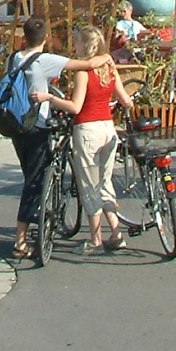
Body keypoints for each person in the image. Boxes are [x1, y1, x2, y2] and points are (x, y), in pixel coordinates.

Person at [4, 15, 113, 260]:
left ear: (24, 37)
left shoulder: (13, 58)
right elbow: (85, 65)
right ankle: (20, 240)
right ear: (44, 38)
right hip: (37, 126)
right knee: (34, 182)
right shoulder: (44, 60)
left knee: (30, 175)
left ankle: (36, 217)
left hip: (16, 126)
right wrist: (106, 56)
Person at [30, 26, 133, 254]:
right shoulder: (109, 66)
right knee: (105, 183)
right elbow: (125, 100)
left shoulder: (82, 73)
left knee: (89, 186)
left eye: (76, 42)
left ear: (83, 46)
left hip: (88, 130)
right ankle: (116, 234)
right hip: (108, 129)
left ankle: (95, 239)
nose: (73, 46)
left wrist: (50, 99)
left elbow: (76, 107)